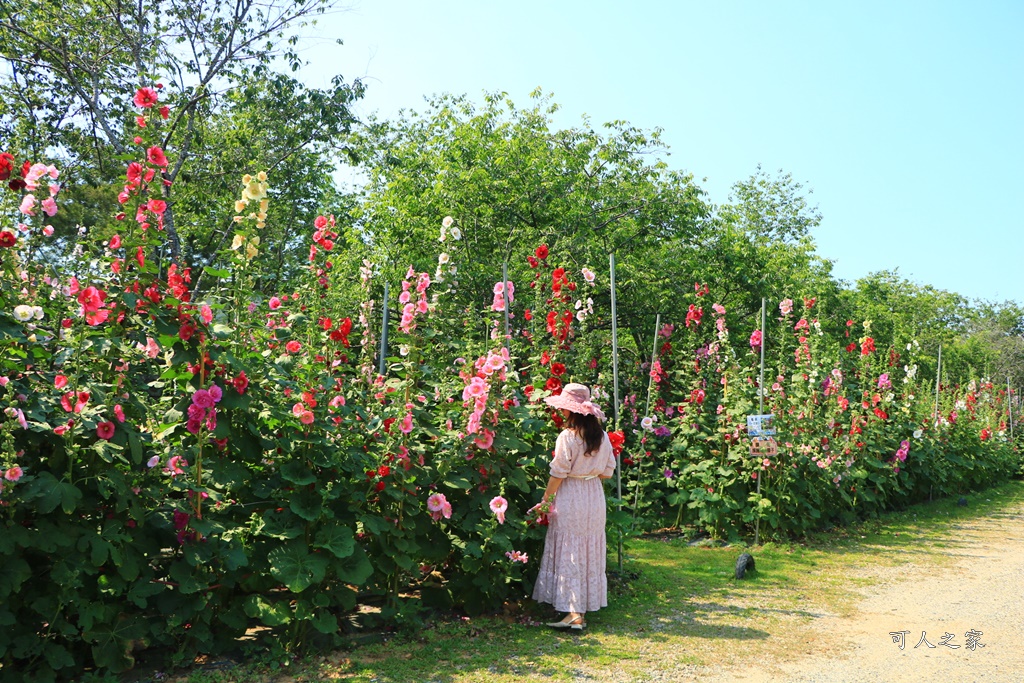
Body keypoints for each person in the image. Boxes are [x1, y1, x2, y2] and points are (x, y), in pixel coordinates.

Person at [532, 382, 617, 630]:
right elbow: (608, 473)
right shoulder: (602, 437)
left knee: (570, 548)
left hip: (571, 494)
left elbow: (558, 473)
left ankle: (573, 612)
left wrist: (546, 501)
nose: (562, 412)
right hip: (593, 496)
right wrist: (589, 470)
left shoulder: (567, 437)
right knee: (588, 547)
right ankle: (579, 611)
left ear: (572, 410)